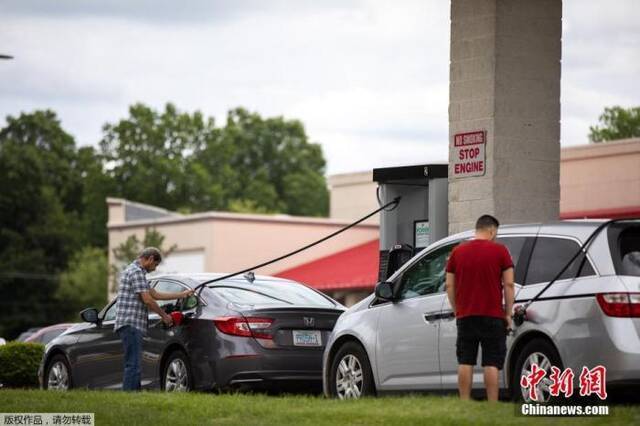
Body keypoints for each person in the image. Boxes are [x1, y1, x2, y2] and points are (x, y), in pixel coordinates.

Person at [445, 215, 514, 402]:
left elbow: (449, 286)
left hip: (466, 315)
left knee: (465, 360)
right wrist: (508, 313)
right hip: (493, 315)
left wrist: (457, 308)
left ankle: (464, 401)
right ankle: (492, 403)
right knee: (491, 361)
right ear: (491, 231)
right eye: (496, 233)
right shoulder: (500, 251)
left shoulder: (457, 252)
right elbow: (509, 285)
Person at [114, 247, 194, 391]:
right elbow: (148, 300)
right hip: (131, 323)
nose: (155, 268)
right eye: (155, 265)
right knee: (133, 364)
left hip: (129, 324)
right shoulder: (136, 272)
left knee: (134, 363)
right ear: (150, 259)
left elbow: (155, 294)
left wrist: (182, 294)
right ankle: (129, 396)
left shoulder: (134, 271)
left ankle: (133, 395)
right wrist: (164, 316)